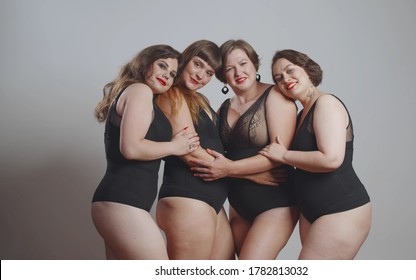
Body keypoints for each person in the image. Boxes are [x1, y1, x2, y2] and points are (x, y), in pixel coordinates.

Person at [190, 39, 299, 259]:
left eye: (243, 63)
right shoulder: (222, 108)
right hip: (237, 206)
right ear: (223, 76)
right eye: (230, 68)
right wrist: (250, 174)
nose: (238, 72)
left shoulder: (276, 96)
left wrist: (229, 169)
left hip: (276, 202)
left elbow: (279, 154)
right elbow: (218, 154)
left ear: (254, 64)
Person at [260, 49, 372, 259]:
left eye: (290, 70)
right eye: (278, 78)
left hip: (341, 209)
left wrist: (284, 155)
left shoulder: (326, 103)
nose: (286, 79)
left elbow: (331, 159)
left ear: (307, 70)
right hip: (312, 211)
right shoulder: (303, 112)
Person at [91, 44, 200, 259]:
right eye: (161, 65)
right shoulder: (140, 90)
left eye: (172, 74)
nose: (166, 75)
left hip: (118, 203)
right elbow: (131, 148)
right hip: (122, 203)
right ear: (145, 63)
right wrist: (174, 146)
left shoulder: (142, 95)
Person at [155, 40, 234, 260]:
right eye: (197, 64)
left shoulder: (201, 100)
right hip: (187, 198)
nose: (201, 76)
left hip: (212, 203)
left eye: (209, 72)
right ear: (185, 59)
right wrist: (243, 171)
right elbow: (191, 152)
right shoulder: (172, 94)